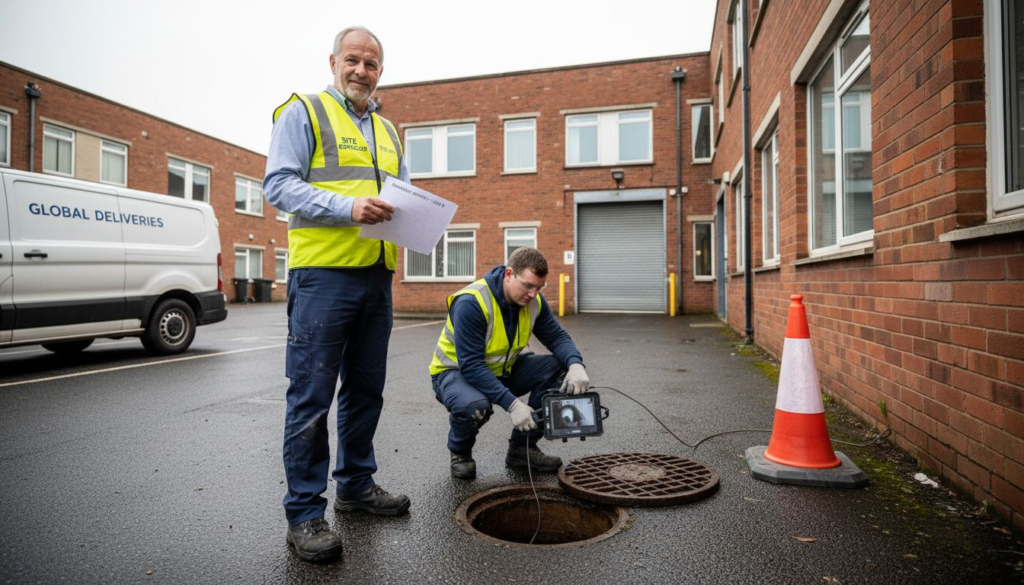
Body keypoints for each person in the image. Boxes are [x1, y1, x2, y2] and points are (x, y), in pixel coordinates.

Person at [263, 26, 410, 564]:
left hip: (376, 276)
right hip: (323, 276)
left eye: (371, 64)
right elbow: (277, 184)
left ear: (380, 71)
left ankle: (354, 486)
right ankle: (304, 512)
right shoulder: (304, 111)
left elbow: (401, 196)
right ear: (333, 62)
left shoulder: (390, 131)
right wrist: (347, 208)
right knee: (311, 396)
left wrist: (414, 221)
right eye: (353, 60)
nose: (361, 71)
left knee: (366, 390)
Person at [429, 247, 592, 480]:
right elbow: (471, 365)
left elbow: (556, 337)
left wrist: (576, 365)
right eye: (527, 285)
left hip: (503, 370)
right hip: (456, 374)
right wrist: (513, 405)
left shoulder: (533, 301)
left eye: (539, 288)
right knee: (475, 407)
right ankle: (460, 453)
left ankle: (522, 449)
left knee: (561, 367)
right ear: (508, 274)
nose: (533, 294)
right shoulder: (471, 302)